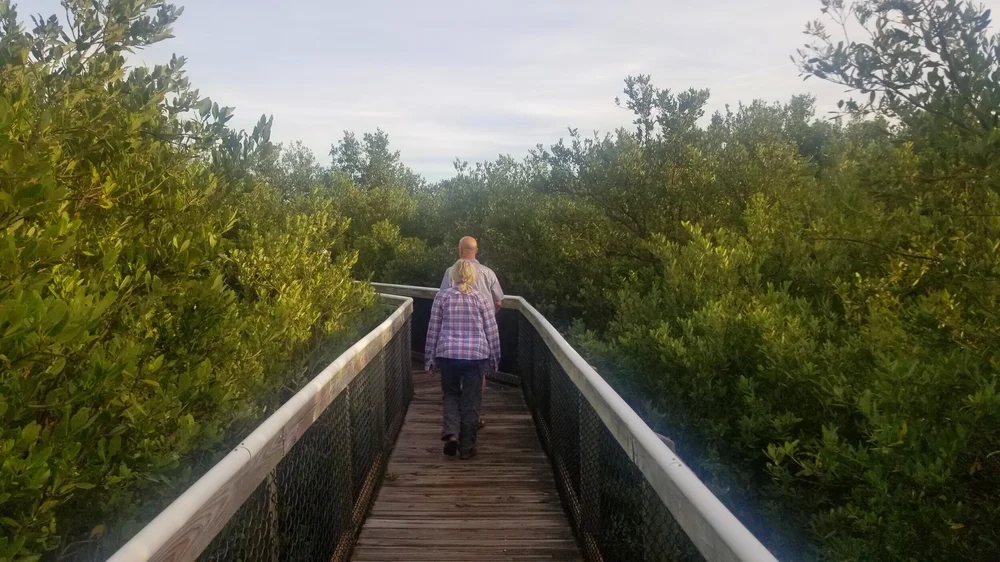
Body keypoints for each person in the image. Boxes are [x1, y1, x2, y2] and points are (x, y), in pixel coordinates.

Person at [425, 259, 501, 460]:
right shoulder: (481, 299)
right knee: (471, 400)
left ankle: (451, 434)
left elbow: (433, 329)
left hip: (448, 354)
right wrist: (494, 359)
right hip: (476, 356)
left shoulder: (442, 298)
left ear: (453, 275)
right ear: (473, 276)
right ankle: (467, 448)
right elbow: (491, 331)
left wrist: (429, 359)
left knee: (450, 394)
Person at [439, 236, 504, 429]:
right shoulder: (488, 272)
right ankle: (472, 418)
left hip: (452, 337)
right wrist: (489, 315)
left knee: (451, 386)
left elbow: (441, 298)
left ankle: (454, 422)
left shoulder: (451, 272)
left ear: (460, 251)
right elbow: (499, 301)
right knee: (476, 379)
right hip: (480, 333)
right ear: (477, 250)